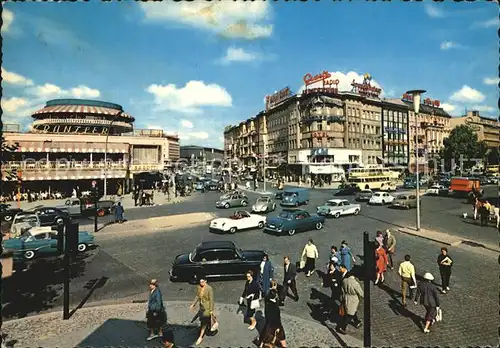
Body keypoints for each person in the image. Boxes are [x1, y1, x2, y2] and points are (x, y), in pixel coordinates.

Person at [258, 280, 287, 348]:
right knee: (270, 333)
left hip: (272, 320)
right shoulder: (271, 295)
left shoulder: (270, 295)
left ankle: (261, 344)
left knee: (266, 333)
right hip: (274, 320)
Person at [337, 265, 363, 335]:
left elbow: (342, 290)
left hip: (346, 297)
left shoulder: (345, 281)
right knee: (350, 315)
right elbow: (360, 292)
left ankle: (357, 322)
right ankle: (342, 327)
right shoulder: (354, 282)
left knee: (351, 311)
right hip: (353, 299)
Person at [190, 277, 215, 346]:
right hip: (201, 307)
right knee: (205, 321)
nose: (201, 283)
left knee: (203, 323)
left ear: (206, 281)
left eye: (203, 282)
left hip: (207, 308)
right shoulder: (199, 287)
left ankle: (200, 337)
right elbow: (197, 296)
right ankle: (209, 329)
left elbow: (211, 300)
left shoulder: (209, 289)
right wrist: (193, 304)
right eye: (200, 282)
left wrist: (211, 310)